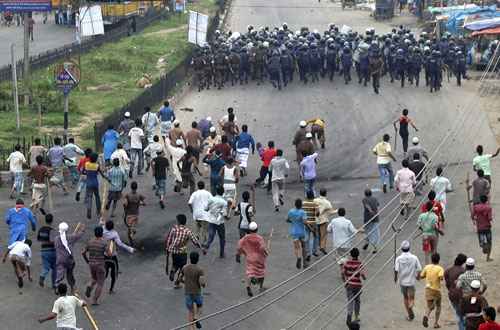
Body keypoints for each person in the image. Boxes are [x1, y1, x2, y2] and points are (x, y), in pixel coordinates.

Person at [165, 214, 202, 288]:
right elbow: (194, 240)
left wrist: (167, 248)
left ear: (178, 222)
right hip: (182, 252)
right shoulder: (187, 231)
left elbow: (168, 239)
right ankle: (177, 282)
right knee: (183, 267)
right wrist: (201, 247)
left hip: (174, 251)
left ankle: (173, 270)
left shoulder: (174, 229)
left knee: (175, 264)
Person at [236, 222, 268, 297]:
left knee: (250, 272)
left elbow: (239, 246)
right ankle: (260, 287)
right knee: (261, 272)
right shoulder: (259, 238)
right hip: (259, 257)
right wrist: (265, 253)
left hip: (249, 257)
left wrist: (239, 254)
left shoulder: (245, 238)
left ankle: (248, 285)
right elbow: (262, 248)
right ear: (257, 229)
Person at [82, 226, 112, 305]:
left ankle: (89, 286)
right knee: (100, 283)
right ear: (102, 233)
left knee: (94, 278)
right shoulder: (104, 243)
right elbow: (109, 255)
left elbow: (83, 252)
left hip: (91, 264)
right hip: (100, 264)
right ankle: (94, 300)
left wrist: (87, 260)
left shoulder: (90, 242)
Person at [103, 220, 134, 294]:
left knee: (105, 272)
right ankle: (111, 289)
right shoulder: (114, 234)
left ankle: (100, 284)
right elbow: (120, 244)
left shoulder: (102, 230)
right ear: (113, 227)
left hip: (104, 255)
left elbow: (101, 223)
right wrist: (130, 249)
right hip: (113, 256)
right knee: (114, 274)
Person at [394, 240, 422, 321]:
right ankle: (411, 305)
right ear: (409, 248)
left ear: (401, 249)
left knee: (405, 297)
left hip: (402, 282)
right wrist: (418, 276)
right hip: (411, 282)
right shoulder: (414, 258)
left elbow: (396, 270)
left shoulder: (398, 259)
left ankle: (410, 314)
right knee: (412, 298)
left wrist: (395, 278)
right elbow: (419, 269)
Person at [55, 222, 85, 293]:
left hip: (60, 259)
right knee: (70, 275)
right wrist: (82, 230)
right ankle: (73, 288)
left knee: (60, 274)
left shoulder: (56, 239)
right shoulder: (71, 237)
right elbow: (78, 235)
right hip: (69, 259)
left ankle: (57, 286)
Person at [178, 251, 205, 330]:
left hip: (188, 292)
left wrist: (185, 282)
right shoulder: (200, 270)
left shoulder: (184, 267)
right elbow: (202, 282)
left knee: (190, 311)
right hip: (197, 292)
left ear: (190, 259)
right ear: (198, 259)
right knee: (200, 306)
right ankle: (196, 318)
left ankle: (191, 328)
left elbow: (179, 278)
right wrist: (203, 285)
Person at [342, 248, 366, 325]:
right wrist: (364, 278)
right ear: (358, 255)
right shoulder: (359, 263)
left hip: (349, 285)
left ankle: (349, 316)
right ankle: (356, 316)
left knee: (350, 301)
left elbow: (343, 273)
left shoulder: (347, 263)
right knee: (357, 300)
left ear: (350, 254)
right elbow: (362, 274)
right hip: (357, 285)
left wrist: (345, 281)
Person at [202, 186, 228, 258]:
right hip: (220, 222)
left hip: (211, 220)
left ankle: (206, 246)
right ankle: (222, 253)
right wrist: (227, 217)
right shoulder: (224, 202)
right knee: (222, 238)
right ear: (223, 192)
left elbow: (206, 209)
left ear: (216, 192)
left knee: (211, 236)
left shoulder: (211, 199)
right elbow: (224, 213)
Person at [420, 252, 445, 329]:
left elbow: (421, 276)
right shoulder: (440, 268)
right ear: (439, 260)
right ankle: (436, 323)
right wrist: (441, 278)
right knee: (438, 306)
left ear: (431, 259)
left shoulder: (427, 267)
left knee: (429, 306)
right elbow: (441, 277)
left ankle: (426, 316)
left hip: (428, 289)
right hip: (436, 290)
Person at [444, 253, 468, 330]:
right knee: (463, 315)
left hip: (452, 294)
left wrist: (451, 290)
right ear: (463, 263)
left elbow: (447, 285)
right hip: (462, 295)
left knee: (459, 314)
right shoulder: (464, 271)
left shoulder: (447, 271)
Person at [83, 152, 108, 220]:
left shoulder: (86, 164)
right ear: (95, 159)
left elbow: (83, 171)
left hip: (88, 183)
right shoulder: (97, 166)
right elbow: (102, 175)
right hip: (95, 183)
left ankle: (89, 209)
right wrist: (107, 178)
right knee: (97, 196)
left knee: (89, 197)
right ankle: (98, 211)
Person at [417, 201, 442, 265]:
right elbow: (435, 226)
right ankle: (434, 265)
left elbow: (418, 225)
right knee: (434, 250)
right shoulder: (435, 216)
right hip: (433, 234)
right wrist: (440, 231)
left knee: (426, 252)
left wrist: (423, 229)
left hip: (425, 235)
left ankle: (427, 266)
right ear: (432, 208)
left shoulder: (422, 215)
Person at [287, 199, 308, 269]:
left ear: (295, 204)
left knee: (296, 247)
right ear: (301, 205)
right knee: (303, 247)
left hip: (294, 232)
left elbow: (287, 219)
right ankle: (305, 262)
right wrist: (311, 228)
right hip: (302, 232)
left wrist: (293, 221)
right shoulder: (303, 212)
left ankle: (298, 257)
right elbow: (305, 222)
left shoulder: (291, 211)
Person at [37, 213, 57, 290]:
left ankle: (42, 276)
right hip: (52, 251)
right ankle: (54, 284)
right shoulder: (51, 230)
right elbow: (53, 241)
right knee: (55, 268)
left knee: (46, 267)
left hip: (43, 250)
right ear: (52, 221)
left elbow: (39, 239)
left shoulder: (41, 230)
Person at [123, 181, 146, 246]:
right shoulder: (139, 195)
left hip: (128, 214)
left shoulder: (127, 195)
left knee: (129, 227)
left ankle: (131, 239)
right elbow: (144, 203)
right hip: (135, 214)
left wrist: (126, 205)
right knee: (133, 227)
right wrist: (139, 203)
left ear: (131, 187)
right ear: (136, 187)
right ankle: (132, 235)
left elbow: (125, 204)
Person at [472, 195, 493, 261]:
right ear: (486, 200)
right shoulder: (488, 208)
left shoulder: (475, 207)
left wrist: (475, 219)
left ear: (480, 200)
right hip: (487, 227)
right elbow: (489, 218)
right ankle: (488, 257)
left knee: (481, 243)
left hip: (480, 227)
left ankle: (484, 246)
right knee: (489, 242)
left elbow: (472, 216)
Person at [314, 188, 336, 255]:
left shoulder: (315, 200)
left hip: (315, 220)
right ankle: (322, 247)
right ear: (326, 194)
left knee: (317, 235)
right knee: (323, 235)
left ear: (320, 193)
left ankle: (315, 248)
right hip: (323, 220)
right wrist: (337, 211)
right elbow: (331, 212)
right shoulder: (327, 203)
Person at [362, 189, 380, 253]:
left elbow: (367, 206)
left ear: (365, 194)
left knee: (367, 231)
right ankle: (375, 248)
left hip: (367, 217)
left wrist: (370, 211)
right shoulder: (375, 198)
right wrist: (377, 213)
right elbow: (378, 206)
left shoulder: (364, 199)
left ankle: (367, 242)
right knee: (375, 233)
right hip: (376, 217)